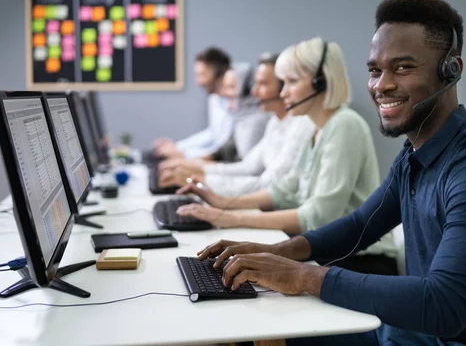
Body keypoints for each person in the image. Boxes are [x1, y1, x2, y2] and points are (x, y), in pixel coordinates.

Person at [192, 0, 466, 345]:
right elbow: (360, 225)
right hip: (411, 334)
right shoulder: (413, 157)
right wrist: (274, 254)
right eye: (375, 70)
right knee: (264, 330)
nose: (381, 84)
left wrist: (304, 277)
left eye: (403, 67)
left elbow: (446, 305)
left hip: (446, 338)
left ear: (451, 70)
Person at [177, 37, 396, 274]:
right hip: (328, 253)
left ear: (321, 82)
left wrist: (231, 217)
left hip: (362, 262)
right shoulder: (314, 126)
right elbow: (284, 190)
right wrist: (223, 204)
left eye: (291, 82)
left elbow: (318, 216)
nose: (283, 92)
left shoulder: (345, 125)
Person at [158, 52, 315, 196]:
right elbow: (248, 166)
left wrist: (201, 179)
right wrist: (198, 171)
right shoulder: (274, 122)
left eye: (263, 84)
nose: (253, 92)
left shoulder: (293, 125)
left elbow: (267, 183)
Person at [153, 47, 234, 160]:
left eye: (202, 75)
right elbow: (213, 133)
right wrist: (176, 147)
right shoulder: (214, 98)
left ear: (220, 74)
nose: (198, 82)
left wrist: (185, 154)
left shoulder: (237, 102)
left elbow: (222, 149)